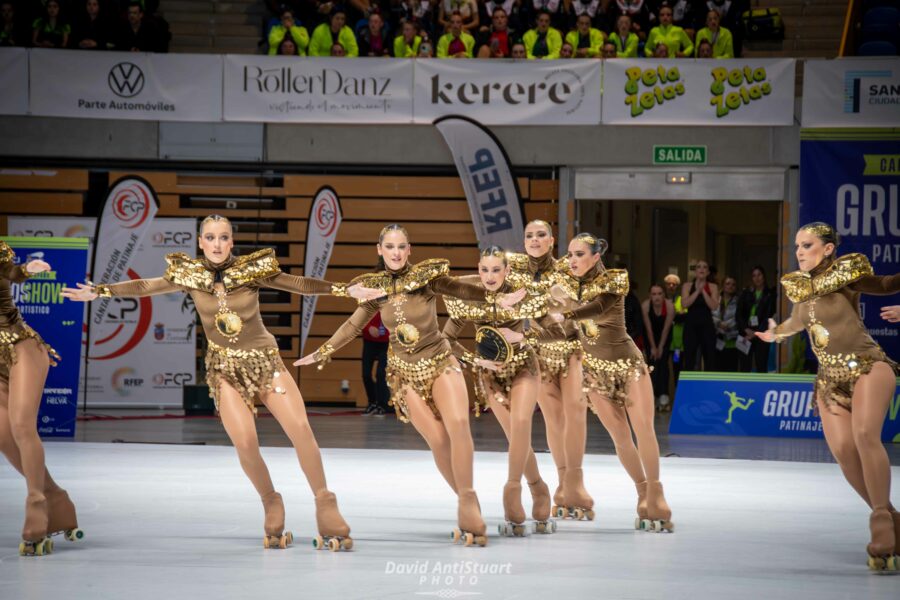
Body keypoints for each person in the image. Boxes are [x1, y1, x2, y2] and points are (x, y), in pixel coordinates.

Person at [63, 215, 380, 551]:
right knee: (244, 442)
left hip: (265, 364)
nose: (216, 244)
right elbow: (145, 286)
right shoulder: (190, 274)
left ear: (232, 241)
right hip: (225, 371)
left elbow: (297, 283)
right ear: (200, 241)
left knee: (300, 429)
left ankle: (324, 502)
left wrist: (344, 289)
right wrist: (99, 291)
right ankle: (271, 499)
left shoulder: (252, 270)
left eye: (223, 237)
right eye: (210, 237)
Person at [294, 224, 526, 547]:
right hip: (404, 374)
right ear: (380, 249)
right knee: (438, 439)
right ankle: (463, 497)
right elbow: (352, 325)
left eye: (401, 246)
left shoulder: (426, 278)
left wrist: (494, 298)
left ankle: (468, 500)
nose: (396, 253)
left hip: (440, 362)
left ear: (409, 249)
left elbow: (459, 288)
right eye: (390, 247)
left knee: (459, 425)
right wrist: (323, 350)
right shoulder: (375, 288)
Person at [756, 222, 899, 570]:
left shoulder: (846, 275)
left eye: (807, 245)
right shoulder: (801, 291)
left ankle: (880, 520)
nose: (800, 252)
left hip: (867, 366)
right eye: (797, 247)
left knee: (865, 436)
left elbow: (884, 284)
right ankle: (893, 518)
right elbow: (796, 322)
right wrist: (776, 334)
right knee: (845, 453)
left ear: (829, 248)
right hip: (828, 382)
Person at [548, 233, 673, 532]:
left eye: (580, 254)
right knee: (619, 436)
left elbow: (598, 309)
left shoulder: (613, 282)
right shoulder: (564, 285)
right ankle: (642, 490)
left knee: (643, 429)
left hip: (628, 366)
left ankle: (656, 493)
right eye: (570, 254)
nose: (573, 260)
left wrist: (566, 309)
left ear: (596, 257)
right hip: (595, 373)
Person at [443, 246, 559, 536]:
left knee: (521, 424)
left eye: (497, 270)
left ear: (507, 270)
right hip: (489, 373)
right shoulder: (468, 297)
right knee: (514, 434)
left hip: (523, 367)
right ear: (478, 269)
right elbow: (447, 338)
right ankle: (539, 488)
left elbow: (559, 331)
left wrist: (523, 334)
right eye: (485, 270)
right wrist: (473, 359)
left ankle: (513, 488)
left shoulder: (524, 294)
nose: (490, 276)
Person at [1, 242, 82, 556]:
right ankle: (57, 497)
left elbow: (11, 272)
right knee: (4, 436)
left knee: (21, 425)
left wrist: (25, 270)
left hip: (20, 346)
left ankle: (36, 500)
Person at [505, 221, 585, 521]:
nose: (535, 240)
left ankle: (576, 483)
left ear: (552, 240)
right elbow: (482, 277)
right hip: (540, 352)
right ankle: (564, 485)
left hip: (573, 348)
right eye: (529, 235)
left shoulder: (568, 265)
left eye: (541, 235)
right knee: (554, 419)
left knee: (575, 410)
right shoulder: (514, 268)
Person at [736, 266, 775, 373]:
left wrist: (755, 333)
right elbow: (738, 314)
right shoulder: (746, 293)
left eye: (759, 275)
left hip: (761, 335)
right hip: (745, 334)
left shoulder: (770, 294)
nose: (757, 278)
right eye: (754, 276)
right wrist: (745, 329)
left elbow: (768, 316)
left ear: (764, 277)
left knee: (761, 366)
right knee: (744, 367)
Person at [681, 260, 718, 371]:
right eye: (699, 267)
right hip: (691, 325)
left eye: (704, 267)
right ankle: (690, 387)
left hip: (707, 325)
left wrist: (704, 291)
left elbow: (714, 306)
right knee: (689, 358)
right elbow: (685, 304)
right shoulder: (687, 286)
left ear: (707, 272)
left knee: (709, 358)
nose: (701, 269)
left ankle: (709, 386)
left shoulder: (713, 287)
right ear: (695, 271)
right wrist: (697, 291)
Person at [642, 284, 674, 411]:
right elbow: (648, 329)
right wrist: (653, 347)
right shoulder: (645, 306)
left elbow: (666, 329)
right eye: (654, 294)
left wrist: (660, 347)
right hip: (650, 337)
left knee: (663, 364)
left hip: (664, 337)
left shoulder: (670, 306)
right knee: (651, 364)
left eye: (660, 294)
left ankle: (664, 395)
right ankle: (652, 395)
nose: (657, 297)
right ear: (650, 295)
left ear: (664, 295)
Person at [361, 312, 390, 416]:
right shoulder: (367, 300)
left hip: (386, 342)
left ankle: (381, 405)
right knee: (366, 374)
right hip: (369, 341)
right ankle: (372, 402)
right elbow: (359, 319)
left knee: (380, 374)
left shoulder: (392, 300)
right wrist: (368, 327)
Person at [713, 276, 739, 371]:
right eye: (727, 284)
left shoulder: (739, 301)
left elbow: (739, 317)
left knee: (731, 373)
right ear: (723, 286)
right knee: (718, 371)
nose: (730, 286)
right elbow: (710, 315)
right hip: (717, 340)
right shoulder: (715, 299)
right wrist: (719, 323)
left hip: (733, 342)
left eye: (733, 284)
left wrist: (726, 324)